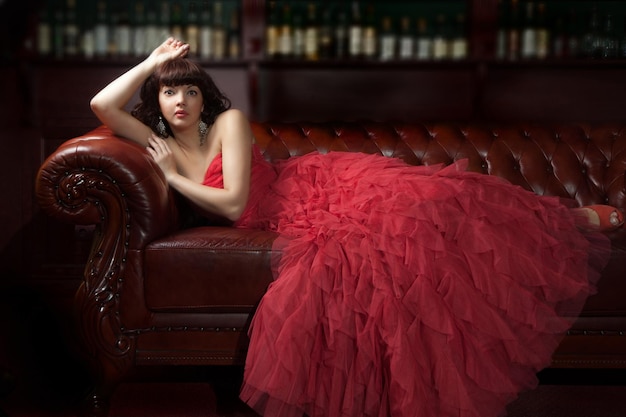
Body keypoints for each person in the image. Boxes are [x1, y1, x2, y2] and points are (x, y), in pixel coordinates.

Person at [91, 38, 617, 417]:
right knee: (384, 249)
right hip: (292, 217)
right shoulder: (161, 145)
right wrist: (153, 62)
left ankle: (566, 219)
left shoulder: (225, 124)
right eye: (168, 94)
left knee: (440, 200)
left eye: (188, 91)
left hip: (311, 187)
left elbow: (231, 204)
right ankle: (564, 221)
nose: (179, 101)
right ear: (157, 104)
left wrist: (171, 178)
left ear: (204, 99)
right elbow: (102, 105)